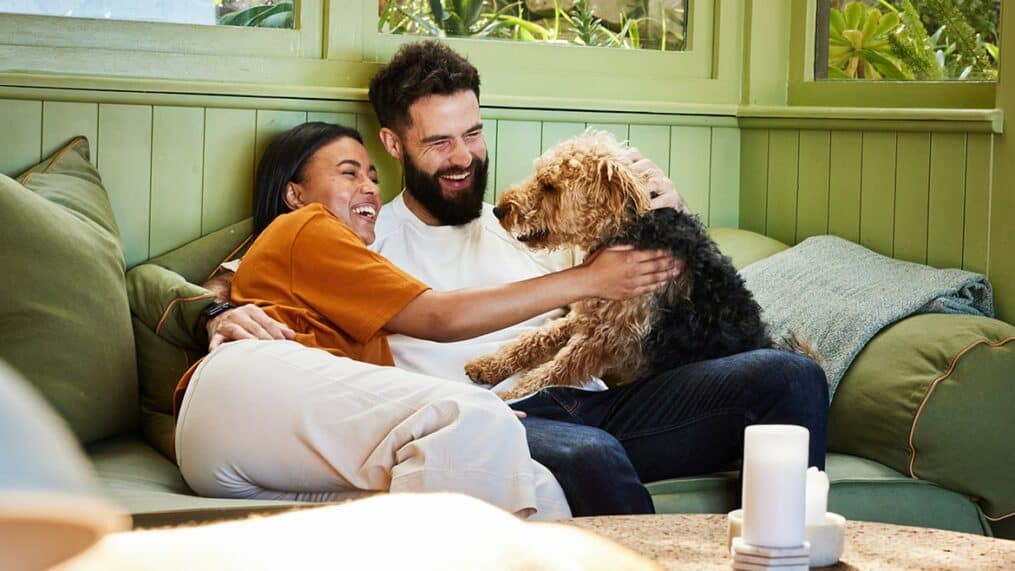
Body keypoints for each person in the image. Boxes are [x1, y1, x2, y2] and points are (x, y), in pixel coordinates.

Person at [206, 41, 829, 517]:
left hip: (597, 401)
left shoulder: (531, 223)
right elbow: (230, 280)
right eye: (439, 142)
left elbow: (657, 301)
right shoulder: (361, 230)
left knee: (793, 377)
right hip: (493, 420)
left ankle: (791, 547)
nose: (462, 157)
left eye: (473, 134)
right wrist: (214, 314)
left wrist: (665, 216)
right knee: (592, 456)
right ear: (394, 145)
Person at [173, 121, 677, 521]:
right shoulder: (307, 226)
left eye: (372, 175)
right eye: (349, 173)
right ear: (294, 195)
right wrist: (592, 278)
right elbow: (437, 316)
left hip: (257, 453)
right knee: (473, 417)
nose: (369, 187)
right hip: (247, 396)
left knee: (540, 491)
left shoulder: (337, 270)